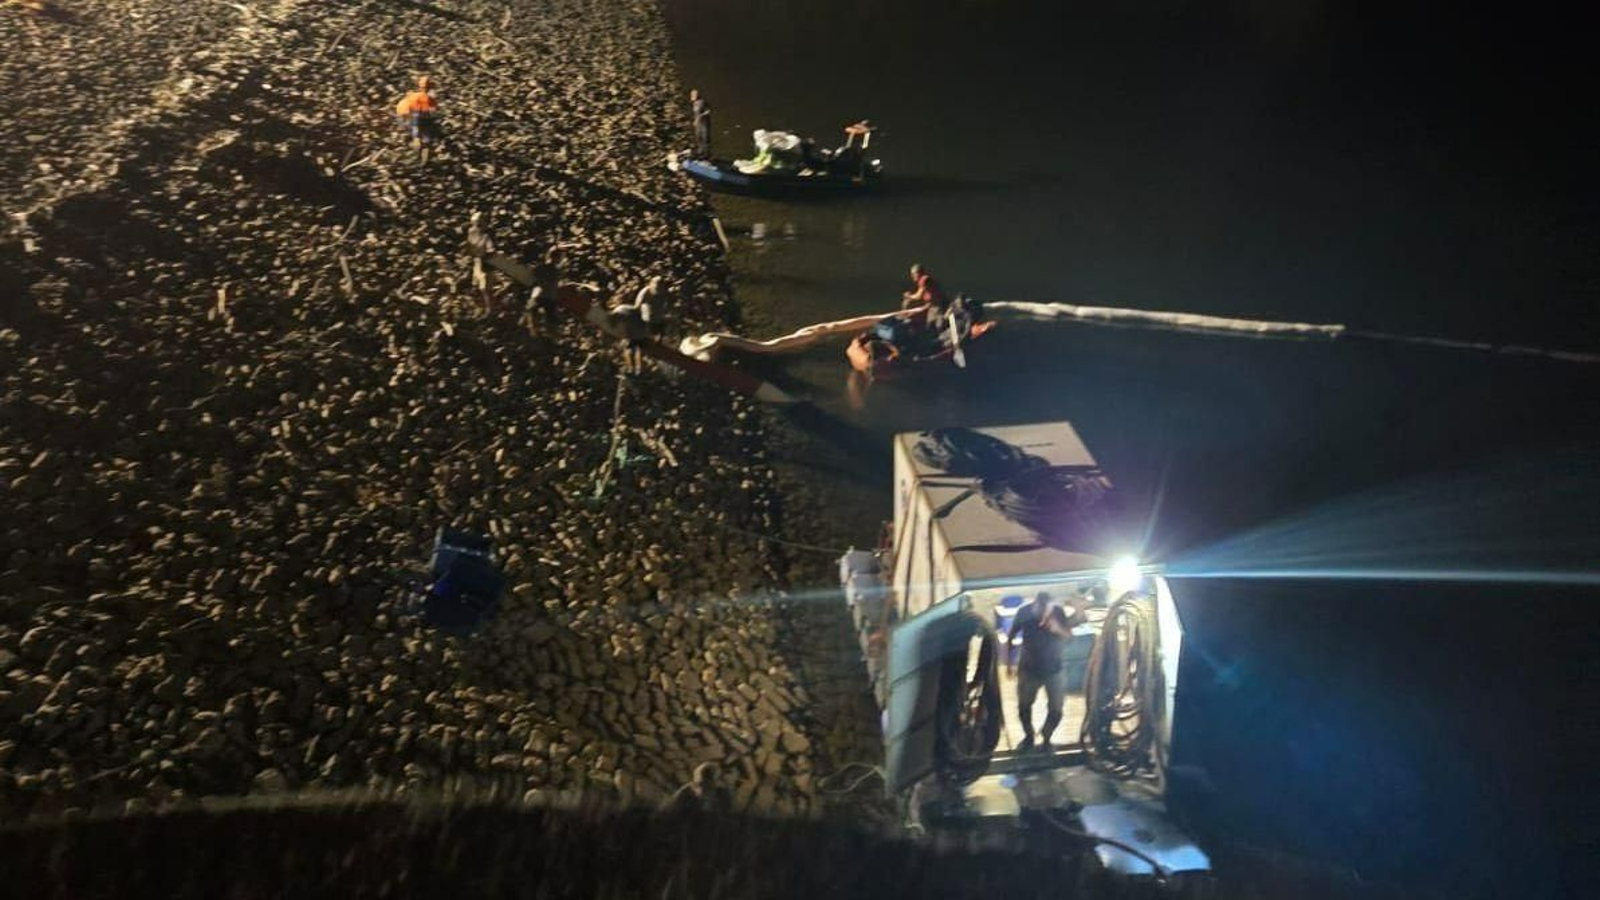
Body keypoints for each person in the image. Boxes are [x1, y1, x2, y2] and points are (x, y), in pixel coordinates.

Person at [1007, 591, 1084, 753]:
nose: (1043, 615)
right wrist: (1010, 662)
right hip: (1029, 669)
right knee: (1024, 707)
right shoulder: (1024, 612)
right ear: (1035, 605)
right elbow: (1011, 636)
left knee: (1056, 709)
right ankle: (1028, 737)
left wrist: (1057, 629)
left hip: (1054, 669)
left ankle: (1047, 736)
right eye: (1040, 611)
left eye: (1046, 610)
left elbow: (1070, 638)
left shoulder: (1057, 612)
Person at [395, 75, 440, 154]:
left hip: (409, 114)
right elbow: (415, 120)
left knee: (429, 127)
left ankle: (423, 143)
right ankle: (414, 144)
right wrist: (416, 138)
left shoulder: (428, 99)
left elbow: (431, 113)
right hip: (405, 116)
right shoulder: (419, 98)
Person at [690, 89, 712, 157]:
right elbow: (696, 113)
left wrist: (701, 116)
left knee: (705, 138)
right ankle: (700, 152)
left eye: (695, 94)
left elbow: (708, 110)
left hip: (704, 123)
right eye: (692, 95)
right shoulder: (694, 103)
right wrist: (695, 120)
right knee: (698, 138)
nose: (693, 96)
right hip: (698, 124)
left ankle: (706, 154)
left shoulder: (702, 102)